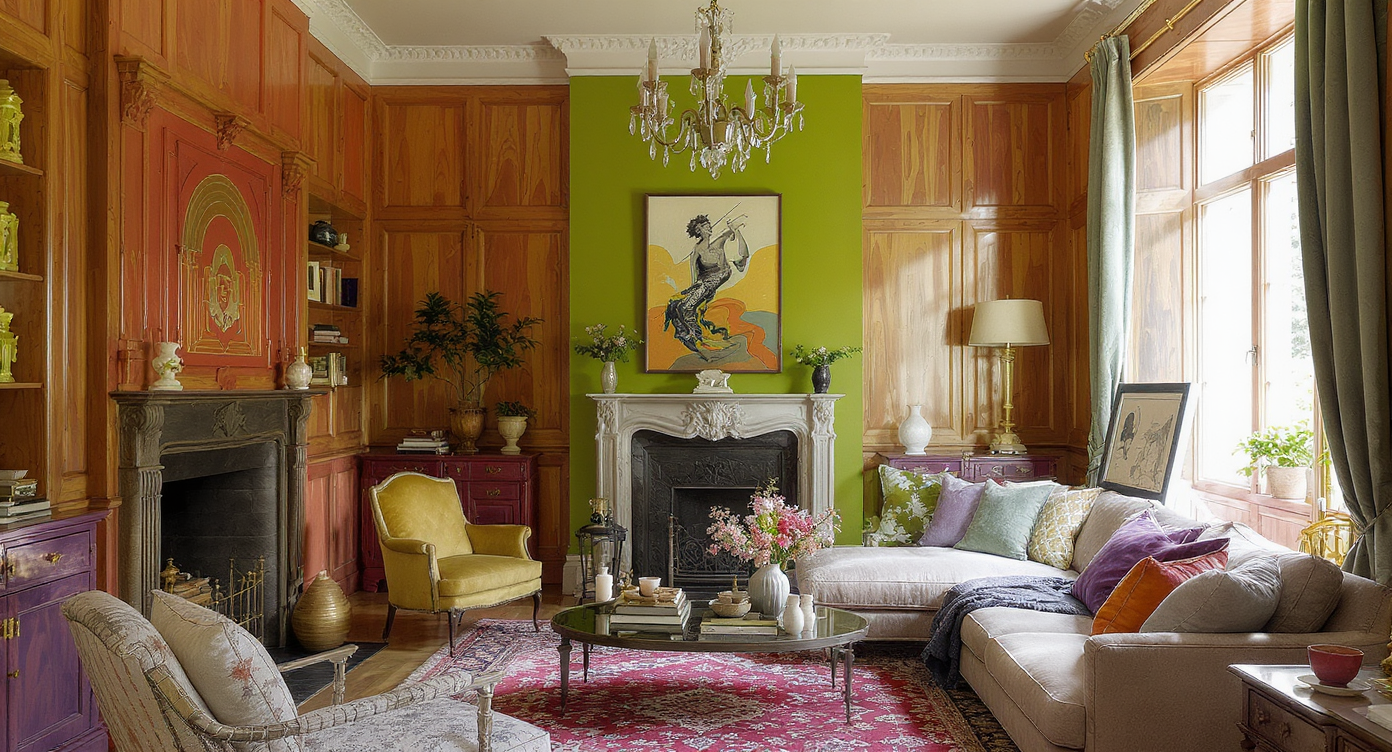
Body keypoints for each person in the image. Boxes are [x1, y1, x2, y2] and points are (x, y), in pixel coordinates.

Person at [663, 213, 750, 358]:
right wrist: (695, 293)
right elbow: (694, 276)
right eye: (705, 226)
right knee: (676, 305)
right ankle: (693, 338)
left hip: (717, 278)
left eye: (709, 225)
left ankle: (697, 339)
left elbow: (743, 251)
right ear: (698, 230)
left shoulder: (719, 241)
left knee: (684, 307)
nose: (709, 227)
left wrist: (735, 229)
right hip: (703, 284)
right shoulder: (697, 251)